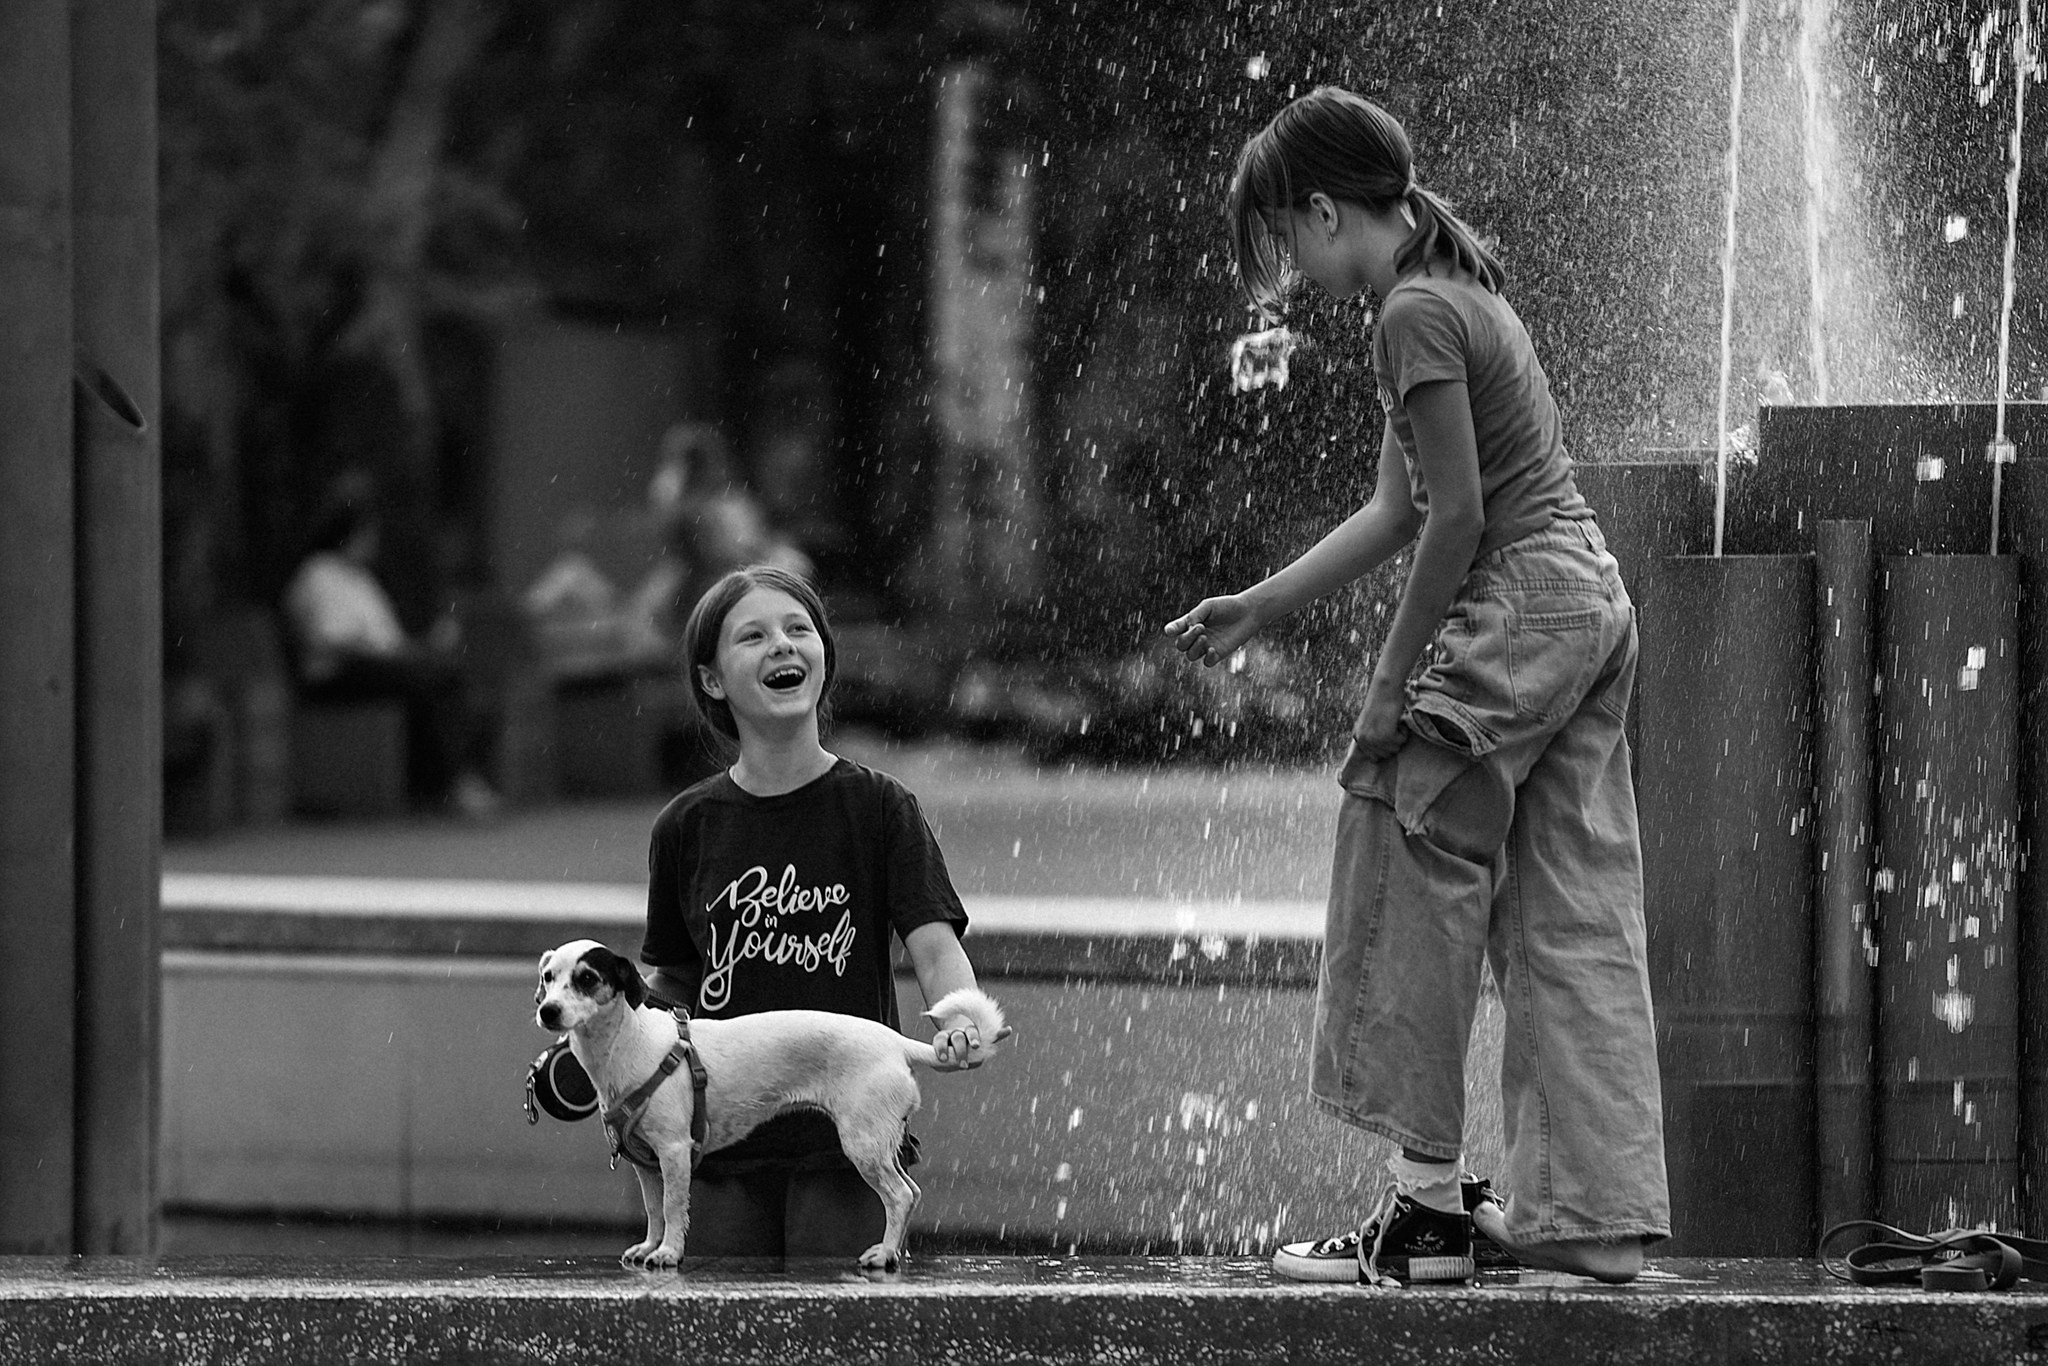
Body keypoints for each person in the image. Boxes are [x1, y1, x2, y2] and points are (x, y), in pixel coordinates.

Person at [1165, 87, 1668, 1285]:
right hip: (1586, 604)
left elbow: (1457, 522)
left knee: (1399, 846)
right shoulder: (1457, 291)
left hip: (1517, 601)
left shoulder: (1411, 314)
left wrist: (1386, 694)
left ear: (1325, 209)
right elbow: (1398, 508)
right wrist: (1262, 604)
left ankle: (1422, 1207)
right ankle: (1589, 1215)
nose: (1288, 267)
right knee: (1569, 912)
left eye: (1284, 241)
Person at [637, 563, 1000, 1258]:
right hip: (715, 1140)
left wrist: (960, 1018)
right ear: (712, 679)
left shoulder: (879, 807)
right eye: (753, 636)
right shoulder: (684, 826)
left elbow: (933, 945)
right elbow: (670, 983)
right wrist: (615, 1047)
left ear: (824, 660)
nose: (782, 645)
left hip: (842, 1140)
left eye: (798, 629)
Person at [282, 479, 501, 819]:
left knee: (448, 674)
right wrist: (401, 656)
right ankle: (457, 781)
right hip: (339, 673)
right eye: (368, 534)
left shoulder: (363, 579)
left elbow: (389, 640)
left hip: (377, 664)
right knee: (433, 678)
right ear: (348, 533)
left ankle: (454, 779)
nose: (374, 542)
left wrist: (421, 646)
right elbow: (334, 640)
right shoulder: (319, 572)